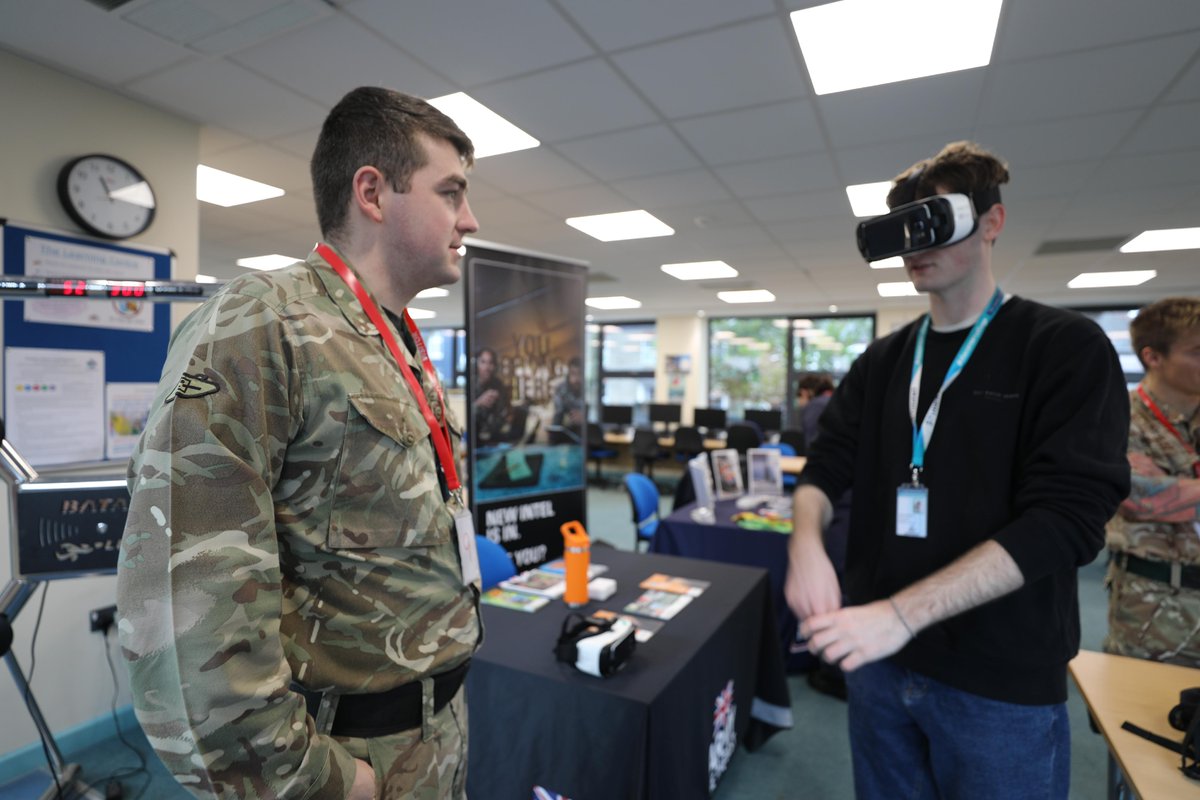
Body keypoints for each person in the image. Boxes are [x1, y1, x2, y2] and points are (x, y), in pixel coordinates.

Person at [116, 86, 482, 799]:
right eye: (451, 192)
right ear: (373, 192)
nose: (469, 219)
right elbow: (183, 595)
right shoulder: (261, 322)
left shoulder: (399, 338)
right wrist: (320, 781)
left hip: (435, 735)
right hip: (343, 757)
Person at [784, 141, 1130, 799]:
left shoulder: (1062, 348)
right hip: (880, 660)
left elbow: (1067, 519)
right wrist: (805, 543)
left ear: (991, 222)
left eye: (932, 220)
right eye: (901, 228)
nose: (914, 244)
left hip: (997, 677)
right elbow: (825, 466)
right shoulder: (883, 360)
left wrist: (903, 614)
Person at [1105, 297, 1200, 665]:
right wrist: (1157, 492)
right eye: (1196, 351)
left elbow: (1163, 496)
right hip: (1154, 611)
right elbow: (1139, 501)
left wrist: (1173, 486)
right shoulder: (1116, 417)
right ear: (1153, 357)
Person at [472, 346, 511, 445]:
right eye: (483, 362)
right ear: (477, 364)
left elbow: (506, 413)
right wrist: (478, 403)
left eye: (490, 363)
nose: (487, 367)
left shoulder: (498, 385)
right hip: (474, 440)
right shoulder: (471, 385)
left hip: (495, 439)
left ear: (494, 366)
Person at [796, 372, 834, 447]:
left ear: (804, 392)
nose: (798, 401)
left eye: (799, 395)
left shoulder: (815, 406)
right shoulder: (832, 400)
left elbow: (812, 442)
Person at [551, 356, 585, 430]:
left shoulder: (591, 390)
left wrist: (585, 417)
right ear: (568, 374)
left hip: (588, 433)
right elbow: (558, 417)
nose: (576, 379)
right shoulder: (560, 389)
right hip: (566, 432)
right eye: (573, 374)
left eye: (580, 374)